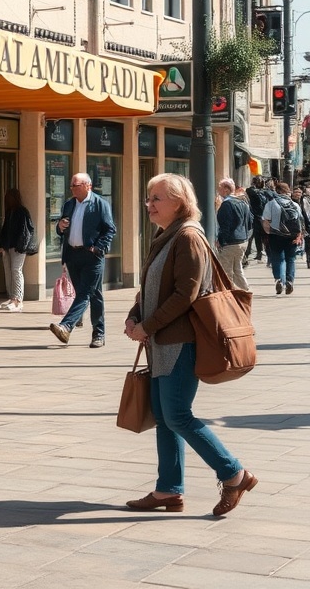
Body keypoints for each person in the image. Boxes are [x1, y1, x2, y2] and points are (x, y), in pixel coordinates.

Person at [124, 173, 256, 517]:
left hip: (179, 342)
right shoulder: (165, 234)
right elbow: (151, 286)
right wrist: (134, 315)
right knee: (166, 418)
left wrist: (147, 326)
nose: (149, 204)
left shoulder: (188, 236)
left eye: (156, 198)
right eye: (148, 197)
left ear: (180, 203)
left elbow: (187, 294)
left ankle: (234, 474)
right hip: (161, 341)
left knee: (178, 415)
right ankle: (168, 490)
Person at [49, 173, 116, 348]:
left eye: (76, 186)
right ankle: (98, 334)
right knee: (93, 294)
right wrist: (60, 227)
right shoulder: (69, 204)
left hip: (92, 255)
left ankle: (66, 326)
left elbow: (110, 230)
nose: (72, 189)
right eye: (71, 186)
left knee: (86, 293)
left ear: (88, 186)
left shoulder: (100, 204)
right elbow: (62, 228)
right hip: (73, 255)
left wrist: (98, 248)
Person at [262, 181, 303, 295]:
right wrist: (299, 235)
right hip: (292, 236)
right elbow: (300, 221)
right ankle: (289, 280)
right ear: (287, 191)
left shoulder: (271, 204)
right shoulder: (295, 205)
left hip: (276, 235)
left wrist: (268, 232)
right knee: (290, 259)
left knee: (277, 259)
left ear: (277, 191)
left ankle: (279, 279)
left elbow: (266, 221)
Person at [0, 188, 33, 311]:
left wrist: (21, 246)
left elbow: (26, 231)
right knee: (9, 271)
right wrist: (2, 245)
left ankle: (17, 300)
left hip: (18, 247)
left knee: (16, 271)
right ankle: (12, 297)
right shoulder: (9, 212)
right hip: (8, 246)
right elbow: (5, 230)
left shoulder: (22, 212)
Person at [214, 178, 252, 292]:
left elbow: (226, 226)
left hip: (230, 242)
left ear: (226, 189)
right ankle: (245, 291)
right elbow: (250, 222)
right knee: (237, 268)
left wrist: (220, 241)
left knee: (226, 271)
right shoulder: (243, 202)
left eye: (219, 188)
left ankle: (229, 293)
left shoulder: (227, 204)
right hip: (242, 241)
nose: (218, 191)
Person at [245, 176, 274, 263]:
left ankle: (258, 253)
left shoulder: (252, 191)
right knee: (263, 237)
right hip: (264, 217)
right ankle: (263, 255)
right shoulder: (267, 192)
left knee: (256, 236)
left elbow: (249, 190)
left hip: (257, 217)